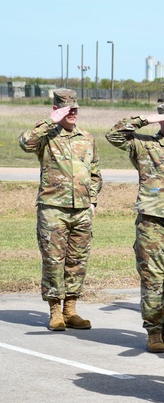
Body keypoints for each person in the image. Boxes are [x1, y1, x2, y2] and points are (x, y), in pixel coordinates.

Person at [105, 103, 164, 351]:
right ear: (162, 120)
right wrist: (146, 119)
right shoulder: (146, 145)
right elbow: (114, 135)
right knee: (153, 278)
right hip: (153, 221)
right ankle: (153, 331)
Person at [19, 88, 102, 331]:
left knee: (77, 260)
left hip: (81, 210)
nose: (73, 113)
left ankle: (71, 309)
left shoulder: (86, 138)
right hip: (53, 208)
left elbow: (95, 172)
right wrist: (49, 121)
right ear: (57, 110)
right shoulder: (47, 135)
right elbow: (25, 142)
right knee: (54, 260)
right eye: (67, 109)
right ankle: (55, 310)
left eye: (75, 109)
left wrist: (93, 200)